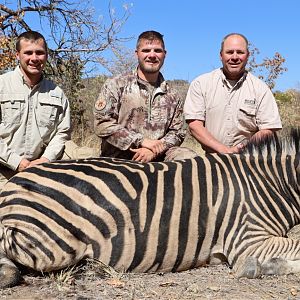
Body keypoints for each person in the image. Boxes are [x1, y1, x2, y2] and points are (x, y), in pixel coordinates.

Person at [93, 30, 197, 162]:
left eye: (157, 51)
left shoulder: (173, 95)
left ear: (165, 54)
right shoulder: (116, 84)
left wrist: (154, 150)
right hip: (120, 157)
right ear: (136, 54)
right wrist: (140, 141)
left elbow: (178, 132)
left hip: (158, 156)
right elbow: (102, 124)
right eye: (146, 50)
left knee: (188, 158)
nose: (152, 55)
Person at [184, 33, 282, 154]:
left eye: (240, 52)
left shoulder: (261, 89)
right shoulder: (201, 84)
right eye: (229, 52)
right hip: (212, 158)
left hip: (247, 159)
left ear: (248, 55)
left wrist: (242, 148)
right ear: (221, 55)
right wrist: (224, 150)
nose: (234, 57)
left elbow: (268, 129)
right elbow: (195, 125)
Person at [0, 31, 71, 190]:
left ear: (46, 56)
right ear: (17, 55)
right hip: (3, 172)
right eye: (28, 53)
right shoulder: (2, 85)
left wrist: (46, 159)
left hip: (40, 172)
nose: (34, 58)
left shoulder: (57, 93)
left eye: (39, 53)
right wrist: (16, 162)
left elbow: (62, 133)